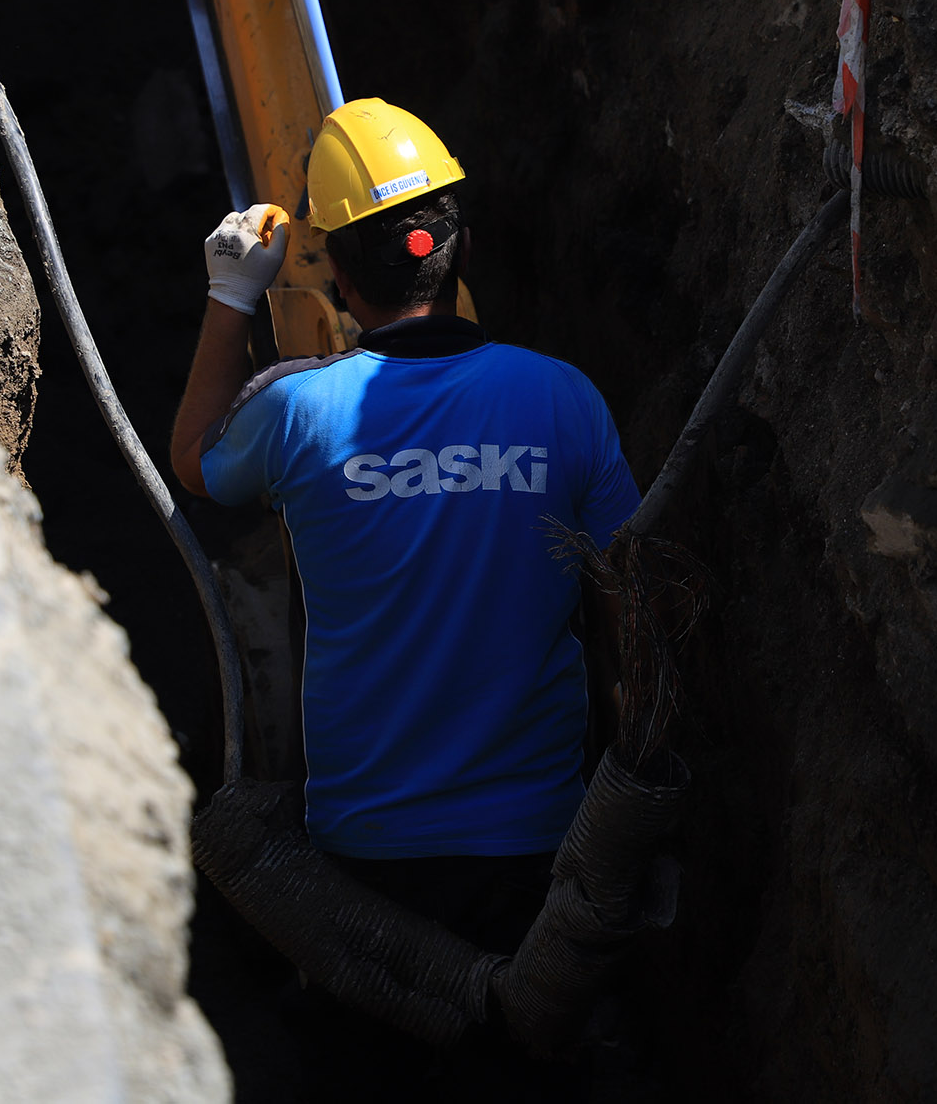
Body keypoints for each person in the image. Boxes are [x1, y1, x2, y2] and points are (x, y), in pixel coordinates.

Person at [169, 98, 639, 1092]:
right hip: (539, 853)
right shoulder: (564, 398)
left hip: (363, 863)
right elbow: (630, 616)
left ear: (333, 271)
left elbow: (194, 461)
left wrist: (229, 297)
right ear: (455, 243)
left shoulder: (298, 411)